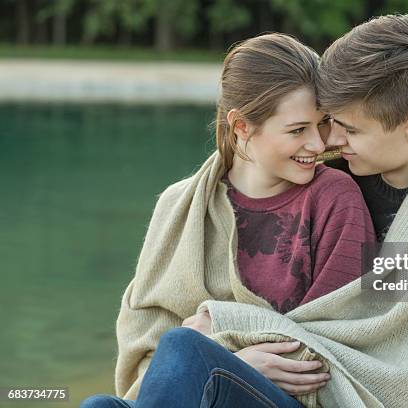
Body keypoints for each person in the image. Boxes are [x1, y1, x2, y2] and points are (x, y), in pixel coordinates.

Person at [194, 15, 408, 407]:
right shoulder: (334, 168)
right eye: (331, 121)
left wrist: (229, 333)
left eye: (350, 130)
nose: (329, 140)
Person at [80, 33, 375, 408]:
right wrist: (232, 363)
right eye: (298, 130)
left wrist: (221, 352)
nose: (318, 144)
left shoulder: (335, 197)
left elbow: (346, 334)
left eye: (322, 124)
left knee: (184, 346)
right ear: (241, 127)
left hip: (292, 399)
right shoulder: (180, 205)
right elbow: (145, 338)